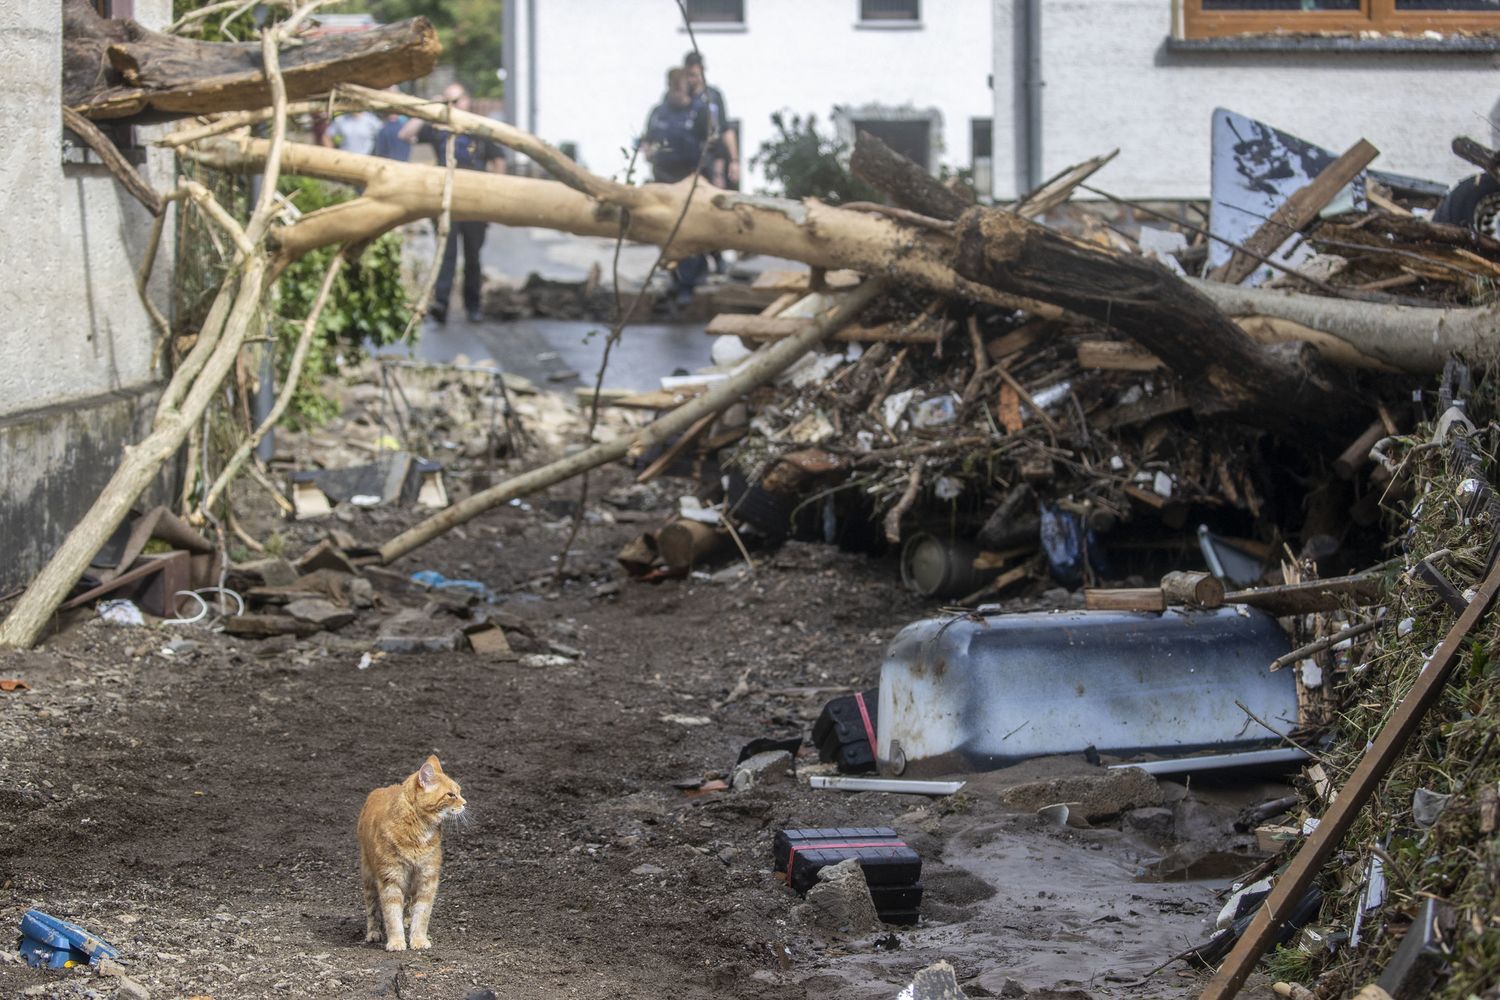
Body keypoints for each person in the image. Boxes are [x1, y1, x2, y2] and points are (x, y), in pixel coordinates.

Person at [398, 84, 506, 324]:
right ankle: (441, 304)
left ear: (467, 100)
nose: (453, 107)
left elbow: (498, 158)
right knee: (446, 255)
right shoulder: (439, 128)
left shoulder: (479, 128)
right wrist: (431, 109)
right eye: (449, 102)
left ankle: (473, 306)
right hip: (446, 200)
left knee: (473, 258)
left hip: (476, 201)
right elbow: (405, 135)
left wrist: (496, 192)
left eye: (456, 101)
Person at [642, 68, 712, 304]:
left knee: (688, 229)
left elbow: (710, 142)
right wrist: (647, 152)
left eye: (681, 86)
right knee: (667, 229)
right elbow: (647, 139)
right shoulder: (658, 112)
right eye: (673, 85)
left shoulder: (699, 111)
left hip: (689, 177)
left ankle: (689, 283)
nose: (677, 91)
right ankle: (675, 277)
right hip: (663, 176)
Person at [684, 52, 736, 274]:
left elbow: (725, 129)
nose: (693, 79)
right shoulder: (682, 98)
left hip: (713, 162)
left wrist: (733, 160)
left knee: (713, 209)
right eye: (690, 75)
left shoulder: (714, 96)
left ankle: (717, 255)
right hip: (689, 165)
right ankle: (696, 263)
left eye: (696, 74)